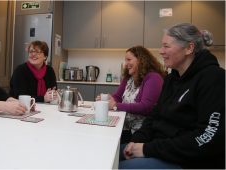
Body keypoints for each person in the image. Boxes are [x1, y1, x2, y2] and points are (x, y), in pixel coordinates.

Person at [119, 23, 225, 169]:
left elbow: (207, 137)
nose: (161, 51)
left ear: (189, 48)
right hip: (160, 148)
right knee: (108, 154)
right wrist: (136, 141)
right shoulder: (171, 78)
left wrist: (146, 149)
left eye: (166, 46)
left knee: (118, 167)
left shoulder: (213, 78)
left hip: (187, 161)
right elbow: (154, 116)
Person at [96, 45, 166, 143]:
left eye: (129, 59)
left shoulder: (154, 78)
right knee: (100, 136)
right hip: (125, 126)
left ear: (141, 60)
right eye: (125, 60)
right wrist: (109, 98)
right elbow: (118, 97)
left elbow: (146, 107)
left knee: (106, 142)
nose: (126, 64)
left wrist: (115, 106)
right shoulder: (129, 77)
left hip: (141, 132)